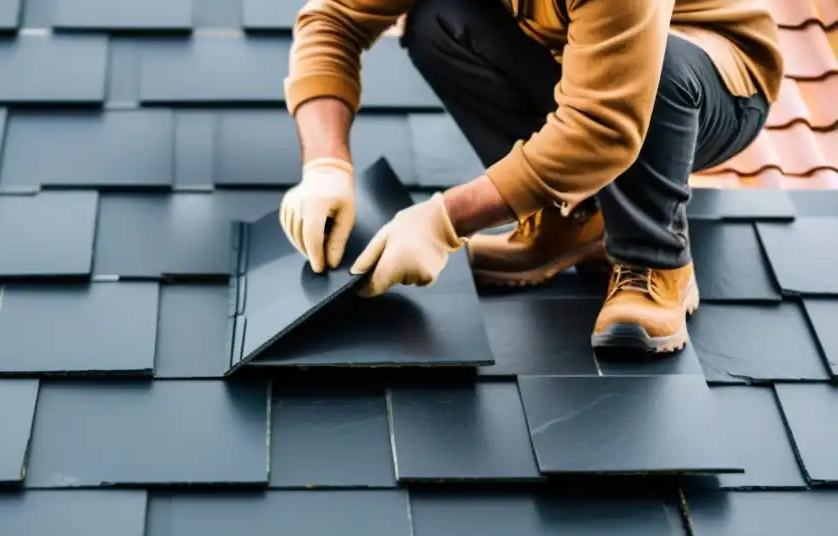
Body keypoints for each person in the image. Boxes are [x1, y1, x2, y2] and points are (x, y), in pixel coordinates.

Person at [278, 0, 783, 353]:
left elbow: (600, 129)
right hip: (580, 65)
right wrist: (325, 165)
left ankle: (655, 259)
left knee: (661, 73)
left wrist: (444, 220)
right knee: (439, 19)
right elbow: (333, 21)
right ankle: (571, 219)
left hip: (712, 83)